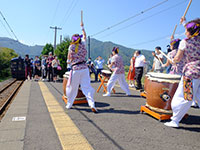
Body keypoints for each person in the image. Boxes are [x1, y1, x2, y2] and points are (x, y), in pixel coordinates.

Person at [164, 18, 200, 128]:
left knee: (184, 97)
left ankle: (175, 120)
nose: (185, 32)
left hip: (190, 73)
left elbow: (178, 58)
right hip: (198, 73)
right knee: (197, 95)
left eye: (186, 30)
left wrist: (172, 60)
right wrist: (185, 23)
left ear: (190, 32)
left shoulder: (185, 42)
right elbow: (193, 28)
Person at [65, 21, 97, 113]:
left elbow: (69, 58)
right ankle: (92, 104)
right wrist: (82, 27)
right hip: (85, 68)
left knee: (73, 88)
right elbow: (85, 35)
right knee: (86, 87)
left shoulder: (71, 47)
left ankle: (69, 104)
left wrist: (69, 64)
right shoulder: (83, 44)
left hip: (75, 69)